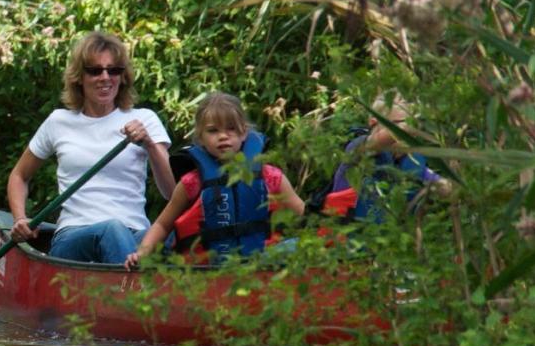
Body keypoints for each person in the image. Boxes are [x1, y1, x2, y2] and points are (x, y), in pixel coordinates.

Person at [7, 31, 176, 265]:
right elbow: (19, 175)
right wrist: (20, 218)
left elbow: (171, 192)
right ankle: (133, 295)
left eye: (113, 70)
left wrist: (148, 143)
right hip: (73, 236)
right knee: (112, 229)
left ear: (123, 76)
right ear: (79, 77)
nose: (105, 77)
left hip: (136, 234)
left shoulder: (144, 119)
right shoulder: (59, 121)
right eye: (95, 70)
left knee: (180, 233)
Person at [125, 91, 305, 268]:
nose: (223, 136)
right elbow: (163, 225)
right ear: (201, 138)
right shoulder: (192, 183)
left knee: (299, 244)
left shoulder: (270, 177)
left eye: (231, 128)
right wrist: (141, 254)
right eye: (213, 131)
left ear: (244, 133)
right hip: (207, 270)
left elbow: (305, 216)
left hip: (261, 266)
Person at [322, 95, 445, 223]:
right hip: (345, 237)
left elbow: (446, 187)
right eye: (397, 123)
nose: (409, 134)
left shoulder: (412, 162)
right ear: (373, 122)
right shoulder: (359, 147)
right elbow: (377, 142)